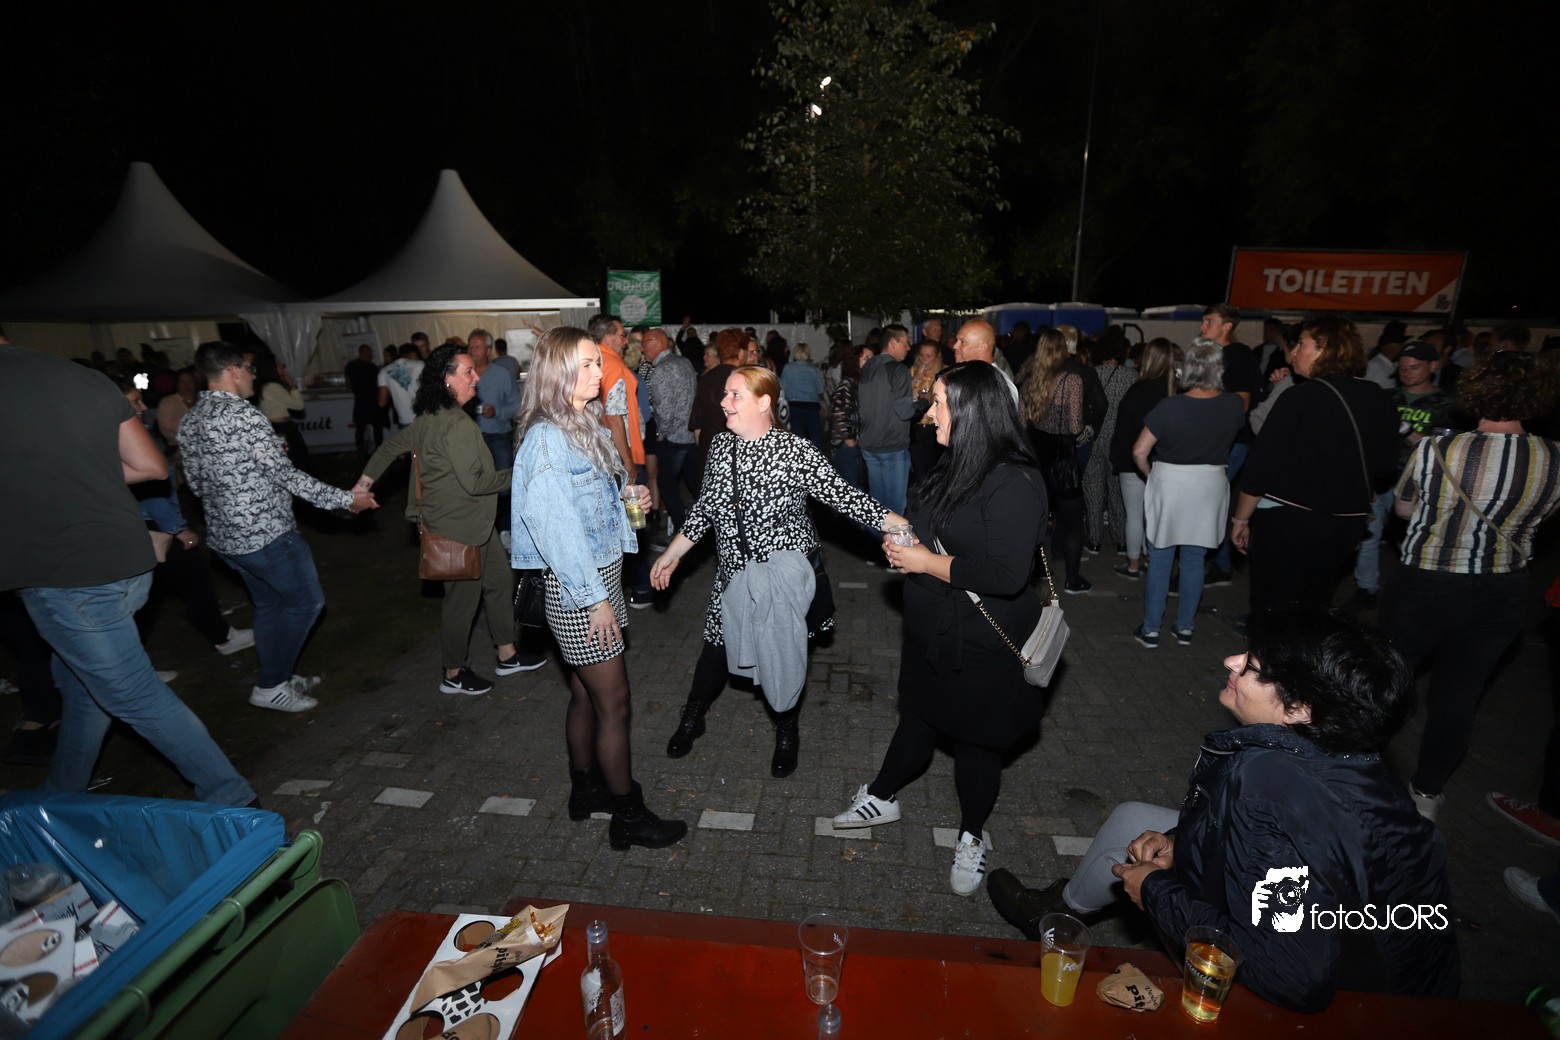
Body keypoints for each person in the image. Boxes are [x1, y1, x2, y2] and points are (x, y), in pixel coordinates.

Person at [987, 605, 1460, 1013]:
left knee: (1139, 867)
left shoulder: (1267, 788)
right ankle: (1060, 908)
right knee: (1134, 820)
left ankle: (1056, 918)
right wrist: (1181, 845)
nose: (1231, 661)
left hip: (1364, 1011)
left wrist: (1155, 891)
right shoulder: (1354, 757)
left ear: (1300, 708)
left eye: (1252, 665)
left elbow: (1292, 974)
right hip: (1402, 974)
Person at [1, 340, 256, 805]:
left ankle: (236, 801)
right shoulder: (82, 377)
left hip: (69, 577)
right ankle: (61, 793)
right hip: (129, 562)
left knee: (133, 694)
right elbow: (150, 466)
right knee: (84, 684)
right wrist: (81, 479)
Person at [832, 363, 1048, 897]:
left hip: (984, 641)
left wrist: (925, 562)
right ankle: (883, 794)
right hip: (933, 629)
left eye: (939, 404)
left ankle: (972, 835)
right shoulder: (956, 461)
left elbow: (1007, 574)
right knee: (919, 715)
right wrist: (903, 541)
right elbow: (932, 528)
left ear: (974, 412)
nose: (929, 415)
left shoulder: (1015, 480)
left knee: (975, 743)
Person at [652, 366, 906, 778]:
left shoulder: (794, 452)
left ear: (764, 402)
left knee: (782, 654)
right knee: (716, 649)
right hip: (733, 576)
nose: (723, 401)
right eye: (725, 394)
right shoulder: (720, 446)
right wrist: (674, 553)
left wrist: (898, 523)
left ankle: (787, 729)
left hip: (782, 581)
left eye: (735, 395)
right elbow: (707, 507)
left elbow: (844, 496)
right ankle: (693, 715)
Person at [509, 327, 686, 850]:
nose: (598, 372)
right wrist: (595, 601)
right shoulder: (547, 438)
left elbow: (591, 500)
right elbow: (557, 532)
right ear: (559, 373)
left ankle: (585, 791)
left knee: (586, 695)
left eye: (596, 363)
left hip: (596, 579)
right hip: (579, 590)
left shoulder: (582, 420)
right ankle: (628, 816)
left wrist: (629, 497)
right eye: (586, 365)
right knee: (616, 705)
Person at [1378, 352, 1560, 820]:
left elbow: (1402, 510)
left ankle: (1356, 772)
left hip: (1426, 582)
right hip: (1502, 589)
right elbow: (1543, 517)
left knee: (1385, 680)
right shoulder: (1555, 457)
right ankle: (1426, 795)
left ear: (1474, 391)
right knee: (1458, 698)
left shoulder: (1437, 448)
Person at [180, 342, 377, 712]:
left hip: (226, 540)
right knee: (306, 603)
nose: (254, 376)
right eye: (250, 369)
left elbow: (196, 482)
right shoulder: (243, 414)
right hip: (265, 536)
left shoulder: (191, 418)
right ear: (233, 370)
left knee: (270, 605)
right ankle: (271, 685)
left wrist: (253, 469)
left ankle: (279, 676)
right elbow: (287, 477)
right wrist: (345, 499)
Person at [356, 345, 541, 695]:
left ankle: (507, 654)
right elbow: (477, 483)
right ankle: (453, 674)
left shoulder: (430, 417)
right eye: (468, 372)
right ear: (446, 379)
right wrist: (522, 473)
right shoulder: (455, 424)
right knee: (461, 603)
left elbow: (388, 448)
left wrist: (361, 486)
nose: (476, 377)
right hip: (459, 529)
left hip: (475, 525)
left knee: (500, 583)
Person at [1231, 317, 1398, 612]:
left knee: (1272, 606)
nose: (1294, 352)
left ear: (1325, 349)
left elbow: (1260, 466)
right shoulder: (1380, 398)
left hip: (1290, 520)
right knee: (1312, 604)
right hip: (1346, 523)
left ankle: (1269, 644)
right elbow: (1385, 466)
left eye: (1301, 344)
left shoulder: (1299, 397)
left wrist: (1241, 519)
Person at [118, 379, 255, 656]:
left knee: (148, 596)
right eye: (135, 401)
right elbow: (149, 491)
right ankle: (222, 638)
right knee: (193, 581)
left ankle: (135, 661)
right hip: (156, 527)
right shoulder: (123, 439)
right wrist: (177, 528)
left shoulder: (116, 435)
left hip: (144, 525)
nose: (143, 407)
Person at [1129, 340, 1245, 648]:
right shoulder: (1234, 405)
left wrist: (1151, 474)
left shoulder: (1170, 407)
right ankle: (1184, 627)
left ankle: (1151, 629)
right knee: (1194, 558)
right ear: (1218, 369)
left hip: (1171, 484)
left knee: (1160, 557)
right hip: (1209, 486)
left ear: (1188, 369)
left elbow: (1139, 451)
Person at [1018, 328, 1089, 593]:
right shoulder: (1071, 381)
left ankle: (1031, 574)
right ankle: (1072, 580)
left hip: (1036, 457)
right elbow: (1074, 426)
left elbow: (1021, 423)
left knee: (1034, 521)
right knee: (1073, 522)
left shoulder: (1029, 381)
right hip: (1062, 458)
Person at [1108, 339, 1179, 579]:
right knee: (1155, 515)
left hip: (1133, 459)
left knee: (1134, 514)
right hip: (1163, 462)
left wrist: (1117, 457)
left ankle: (1133, 564)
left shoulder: (1137, 390)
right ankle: (1152, 559)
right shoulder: (1173, 392)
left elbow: (1123, 428)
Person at [1081, 327, 1133, 554]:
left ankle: (1094, 540)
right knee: (1117, 491)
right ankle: (1121, 539)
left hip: (1093, 437)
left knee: (1093, 489)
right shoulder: (1131, 376)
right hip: (1119, 440)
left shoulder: (1089, 374)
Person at [857, 324, 918, 515]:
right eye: (905, 343)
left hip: (869, 444)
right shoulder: (898, 370)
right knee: (895, 506)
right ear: (892, 342)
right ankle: (893, 536)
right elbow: (905, 411)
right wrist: (925, 401)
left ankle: (875, 534)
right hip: (892, 446)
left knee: (877, 503)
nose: (908, 347)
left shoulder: (868, 366)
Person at [253, 347, 311, 468]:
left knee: (292, 458)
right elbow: (298, 405)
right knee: (296, 459)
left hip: (278, 427)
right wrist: (292, 384)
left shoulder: (266, 386)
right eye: (279, 364)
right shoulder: (272, 387)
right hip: (281, 428)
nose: (282, 367)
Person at [828, 344, 872, 488]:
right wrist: (850, 442)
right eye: (866, 358)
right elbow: (839, 416)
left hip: (858, 446)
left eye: (872, 358)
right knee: (852, 490)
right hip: (846, 448)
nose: (871, 361)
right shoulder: (847, 386)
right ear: (854, 362)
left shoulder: (861, 384)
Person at [908, 338, 946, 480]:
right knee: (920, 469)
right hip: (916, 425)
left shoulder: (944, 372)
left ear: (937, 357)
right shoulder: (913, 370)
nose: (924, 359)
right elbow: (901, 395)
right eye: (922, 355)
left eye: (928, 356)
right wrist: (915, 379)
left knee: (935, 469)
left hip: (935, 425)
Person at [779, 342, 825, 447]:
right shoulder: (813, 369)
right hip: (812, 405)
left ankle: (800, 455)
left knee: (798, 437)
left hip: (794, 405)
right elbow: (820, 389)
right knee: (815, 436)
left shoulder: (787, 368)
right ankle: (816, 455)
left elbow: (783, 388)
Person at [345, 344, 383, 459]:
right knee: (376, 427)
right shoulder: (372, 368)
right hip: (372, 401)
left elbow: (348, 383)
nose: (370, 355)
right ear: (366, 353)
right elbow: (378, 383)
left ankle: (361, 451)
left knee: (360, 428)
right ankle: (378, 451)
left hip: (360, 401)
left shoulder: (350, 366)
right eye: (369, 353)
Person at [378, 343, 426, 429]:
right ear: (413, 354)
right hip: (424, 418)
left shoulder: (384, 371)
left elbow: (381, 402)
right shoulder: (420, 364)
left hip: (405, 421)